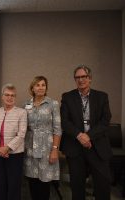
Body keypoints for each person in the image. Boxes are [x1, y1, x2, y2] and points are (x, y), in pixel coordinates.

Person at [60, 65, 112, 200]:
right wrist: (79, 136)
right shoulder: (67, 97)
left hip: (98, 147)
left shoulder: (102, 96)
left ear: (90, 79)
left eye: (84, 77)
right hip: (75, 148)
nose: (81, 80)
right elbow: (65, 121)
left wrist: (88, 136)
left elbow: (105, 121)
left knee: (102, 186)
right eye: (77, 77)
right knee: (77, 187)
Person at [23, 76, 62, 200]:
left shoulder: (53, 104)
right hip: (30, 148)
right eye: (37, 85)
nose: (40, 88)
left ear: (46, 88)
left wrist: (55, 149)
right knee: (32, 181)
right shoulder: (26, 104)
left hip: (47, 149)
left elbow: (57, 129)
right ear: (32, 88)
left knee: (44, 183)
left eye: (43, 85)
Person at [0, 83, 27, 200]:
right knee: (0, 184)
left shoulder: (21, 112)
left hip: (15, 155)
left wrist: (7, 148)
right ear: (2, 96)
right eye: (7, 95)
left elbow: (21, 134)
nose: (10, 98)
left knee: (14, 185)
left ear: (15, 97)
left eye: (13, 95)